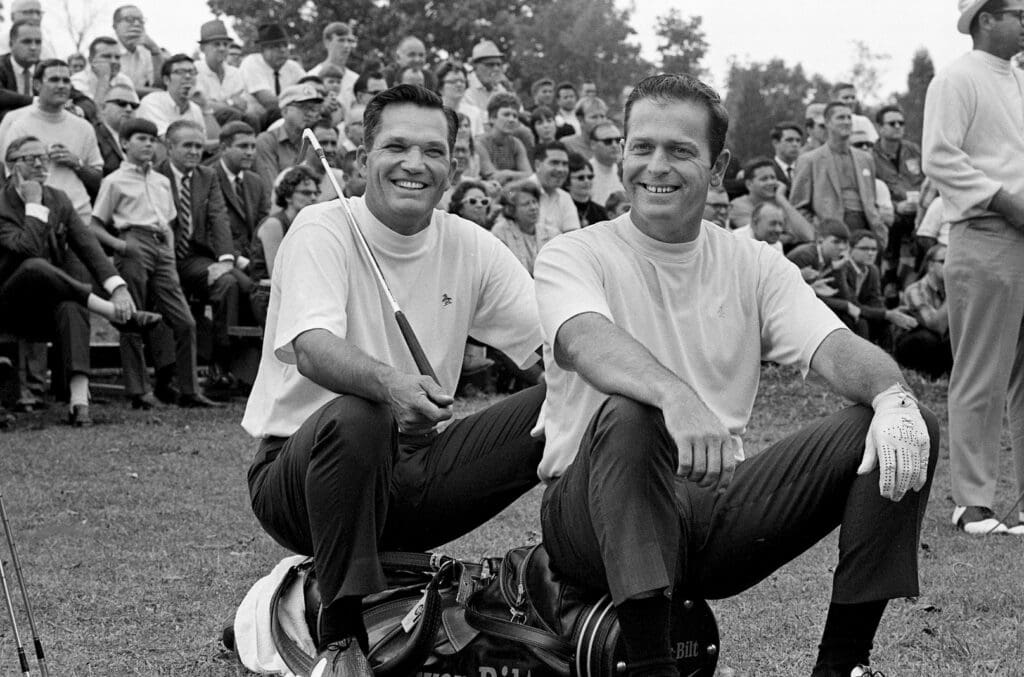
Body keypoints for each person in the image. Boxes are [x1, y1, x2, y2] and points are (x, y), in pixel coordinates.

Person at [533, 72, 938, 677]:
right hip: (589, 515)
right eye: (641, 147)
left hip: (708, 505)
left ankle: (843, 665)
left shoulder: (754, 263)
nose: (656, 166)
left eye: (680, 150)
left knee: (905, 421)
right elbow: (584, 340)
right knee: (633, 410)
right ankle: (651, 666)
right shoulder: (573, 253)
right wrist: (675, 396)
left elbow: (835, 345)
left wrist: (891, 395)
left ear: (718, 167)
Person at [241, 84, 545, 676]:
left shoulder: (471, 245)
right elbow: (311, 349)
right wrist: (391, 384)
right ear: (362, 159)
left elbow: (553, 346)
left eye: (432, 151)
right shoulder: (320, 227)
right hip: (302, 479)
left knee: (575, 397)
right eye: (396, 147)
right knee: (364, 412)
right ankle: (343, 633)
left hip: (414, 475)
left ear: (452, 165)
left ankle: (577, 590)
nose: (415, 163)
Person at [922, 0, 1024, 536]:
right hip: (985, 233)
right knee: (981, 370)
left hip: (1021, 235)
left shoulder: (1018, 78)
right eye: (1018, 13)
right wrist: (1005, 201)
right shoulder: (956, 79)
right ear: (986, 18)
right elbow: (939, 156)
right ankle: (973, 502)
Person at [0, 135, 158, 426]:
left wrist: (119, 288)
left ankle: (79, 403)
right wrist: (33, 202)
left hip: (44, 307)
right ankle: (108, 311)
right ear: (11, 166)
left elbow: (88, 246)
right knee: (35, 265)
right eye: (30, 159)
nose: (40, 164)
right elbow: (28, 249)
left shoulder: (58, 199)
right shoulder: (2, 204)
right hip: (8, 306)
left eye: (43, 158)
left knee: (72, 305)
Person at [89, 118, 217, 410]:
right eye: (140, 139)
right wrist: (122, 245)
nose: (148, 144)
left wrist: (168, 250)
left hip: (162, 247)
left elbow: (169, 220)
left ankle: (189, 389)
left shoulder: (161, 181)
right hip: (133, 242)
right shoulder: (114, 181)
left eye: (151, 140)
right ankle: (139, 390)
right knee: (132, 317)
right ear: (124, 143)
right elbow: (94, 225)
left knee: (184, 320)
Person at [0, 59, 103, 225]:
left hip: (80, 217)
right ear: (37, 85)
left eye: (66, 81)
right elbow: (11, 179)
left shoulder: (84, 127)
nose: (61, 86)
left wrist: (76, 163)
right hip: (38, 218)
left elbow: (98, 180)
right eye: (54, 80)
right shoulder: (18, 125)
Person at [791, 101, 887, 246]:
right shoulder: (810, 160)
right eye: (841, 118)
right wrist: (817, 231)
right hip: (831, 234)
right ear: (827, 123)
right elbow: (798, 206)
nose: (847, 122)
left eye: (849, 118)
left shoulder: (865, 159)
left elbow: (871, 200)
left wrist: (879, 226)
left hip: (867, 233)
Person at [248, 165, 319, 324]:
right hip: (267, 295)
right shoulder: (274, 224)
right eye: (306, 193)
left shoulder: (307, 224)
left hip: (296, 292)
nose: (313, 198)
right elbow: (276, 274)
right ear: (288, 196)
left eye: (315, 193)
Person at [841, 230, 918, 343]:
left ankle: (888, 352)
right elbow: (852, 303)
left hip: (860, 311)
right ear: (850, 249)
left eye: (874, 249)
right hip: (841, 311)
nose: (870, 253)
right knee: (863, 322)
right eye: (864, 249)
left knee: (885, 323)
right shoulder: (843, 268)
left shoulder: (872, 270)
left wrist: (889, 313)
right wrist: (886, 314)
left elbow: (874, 300)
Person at [894, 244, 952, 380]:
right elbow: (936, 325)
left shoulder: (948, 288)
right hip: (911, 340)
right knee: (928, 338)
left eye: (952, 261)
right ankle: (929, 374)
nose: (950, 266)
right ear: (930, 265)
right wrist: (952, 296)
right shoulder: (915, 290)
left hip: (937, 338)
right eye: (944, 261)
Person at [215, 121, 270, 265]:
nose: (250, 152)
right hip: (221, 256)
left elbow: (262, 224)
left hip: (253, 256)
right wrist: (238, 259)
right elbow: (208, 232)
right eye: (243, 146)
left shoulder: (255, 181)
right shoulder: (208, 178)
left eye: (253, 147)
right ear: (223, 148)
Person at [253, 83, 322, 192]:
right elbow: (271, 188)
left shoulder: (315, 141)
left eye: (313, 109)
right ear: (285, 111)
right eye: (303, 108)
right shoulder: (267, 141)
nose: (309, 113)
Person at [136, 54, 215, 142]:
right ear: (166, 80)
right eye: (180, 72)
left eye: (192, 72)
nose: (188, 76)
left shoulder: (195, 109)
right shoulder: (152, 102)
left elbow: (211, 141)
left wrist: (205, 107)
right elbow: (170, 141)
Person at [239, 23, 305, 122]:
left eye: (285, 45)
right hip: (258, 121)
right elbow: (268, 102)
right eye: (276, 46)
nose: (283, 50)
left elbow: (310, 88)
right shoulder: (252, 62)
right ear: (263, 49)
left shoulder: (292, 66)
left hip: (285, 117)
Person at [194, 20, 250, 127]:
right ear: (202, 49)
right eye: (216, 44)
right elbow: (200, 103)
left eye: (225, 44)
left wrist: (215, 104)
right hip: (204, 121)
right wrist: (230, 102)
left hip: (234, 119)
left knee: (251, 118)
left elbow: (243, 104)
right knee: (232, 114)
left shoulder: (235, 73)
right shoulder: (195, 70)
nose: (222, 48)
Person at [476, 92, 531, 184]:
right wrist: (517, 175)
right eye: (506, 115)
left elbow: (529, 175)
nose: (511, 120)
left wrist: (507, 174)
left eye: (515, 116)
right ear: (492, 118)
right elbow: (493, 177)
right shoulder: (480, 144)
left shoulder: (516, 144)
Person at [306, 22, 359, 113]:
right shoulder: (312, 77)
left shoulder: (356, 79)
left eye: (349, 41)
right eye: (341, 40)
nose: (346, 45)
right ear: (327, 42)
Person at [112, 5, 163, 96]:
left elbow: (160, 88)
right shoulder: (107, 50)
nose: (137, 24)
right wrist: (154, 92)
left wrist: (156, 51)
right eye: (130, 19)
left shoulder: (147, 52)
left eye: (141, 20)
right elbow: (113, 89)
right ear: (115, 26)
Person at [492, 182, 541, 274]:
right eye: (526, 204)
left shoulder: (551, 232)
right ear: (511, 210)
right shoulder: (500, 232)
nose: (533, 207)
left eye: (534, 202)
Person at [71, 36, 135, 104]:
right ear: (91, 60)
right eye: (107, 56)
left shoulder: (124, 80)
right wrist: (103, 79)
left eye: (117, 57)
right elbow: (92, 110)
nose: (114, 61)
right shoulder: (77, 81)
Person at [94, 84, 138, 176]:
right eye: (121, 103)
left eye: (134, 106)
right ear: (103, 108)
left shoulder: (142, 139)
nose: (129, 109)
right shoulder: (93, 135)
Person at [564, 152, 608, 228]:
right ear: (567, 182)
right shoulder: (562, 208)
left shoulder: (601, 212)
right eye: (581, 178)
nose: (587, 181)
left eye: (590, 177)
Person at [463, 40, 507, 115]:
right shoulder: (464, 86)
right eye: (490, 64)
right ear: (475, 66)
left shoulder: (501, 89)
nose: (496, 69)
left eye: (499, 64)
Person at [588, 120, 624, 206]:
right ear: (593, 144)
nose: (614, 145)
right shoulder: (585, 174)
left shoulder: (625, 170)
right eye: (608, 141)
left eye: (618, 140)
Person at [770, 121, 803, 193]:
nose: (795, 144)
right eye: (789, 140)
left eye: (798, 140)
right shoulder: (769, 170)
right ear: (775, 143)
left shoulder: (805, 168)